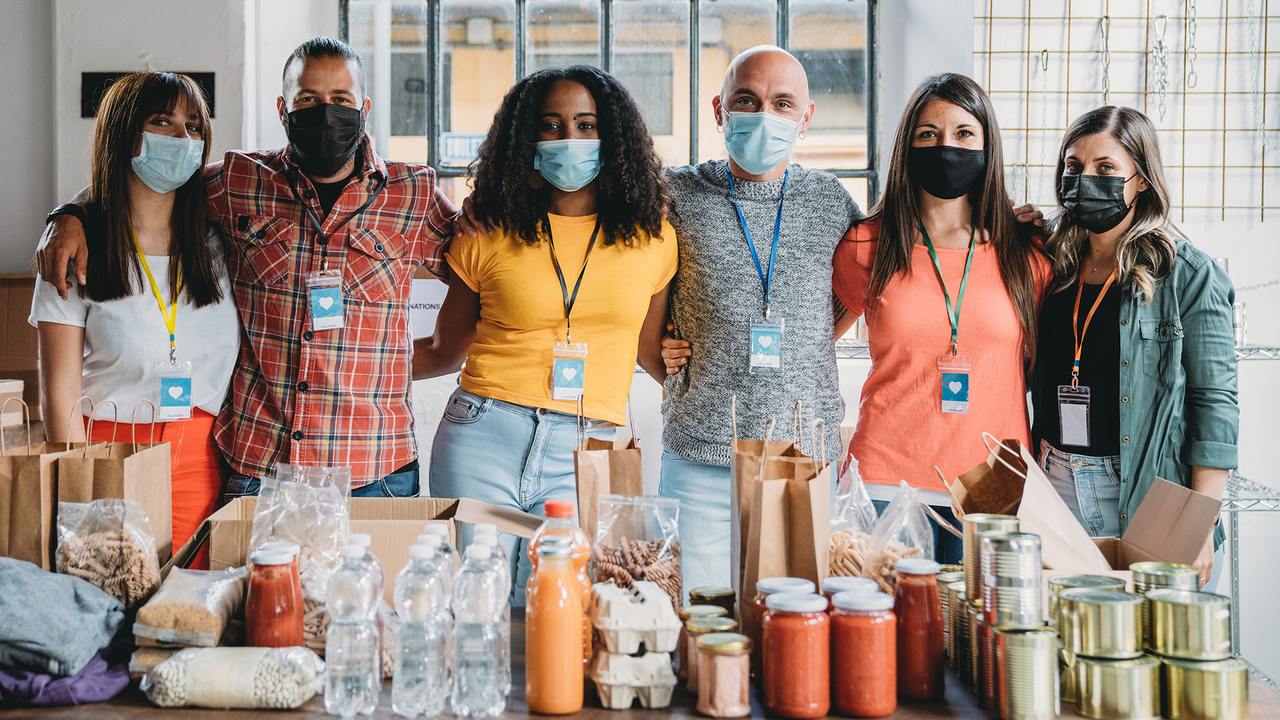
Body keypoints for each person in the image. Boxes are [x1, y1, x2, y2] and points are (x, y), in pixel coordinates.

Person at [38, 37, 457, 498]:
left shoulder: (413, 193)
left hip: (376, 468)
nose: (325, 112)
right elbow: (145, 185)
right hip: (260, 466)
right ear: (283, 108)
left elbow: (479, 269)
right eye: (308, 99)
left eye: (341, 100)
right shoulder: (239, 182)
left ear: (364, 108)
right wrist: (69, 216)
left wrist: (414, 358)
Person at [416, 66, 675, 594]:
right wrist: (344, 363)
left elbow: (649, 350)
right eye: (551, 126)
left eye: (586, 125)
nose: (569, 140)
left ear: (613, 138)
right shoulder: (486, 230)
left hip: (589, 444)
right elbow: (445, 350)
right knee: (475, 604)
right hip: (482, 435)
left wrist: (692, 361)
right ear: (526, 139)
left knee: (569, 608)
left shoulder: (654, 238)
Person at [828, 73, 1051, 565]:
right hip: (886, 481)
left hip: (994, 490)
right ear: (907, 146)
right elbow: (813, 342)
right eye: (928, 134)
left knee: (976, 641)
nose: (945, 146)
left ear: (988, 145)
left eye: (963, 133)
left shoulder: (1029, 254)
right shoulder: (866, 246)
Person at [30, 71, 240, 564]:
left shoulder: (220, 241)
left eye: (193, 125)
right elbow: (57, 392)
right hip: (107, 457)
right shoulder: (75, 247)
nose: (182, 138)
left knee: (187, 615)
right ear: (123, 133)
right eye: (162, 121)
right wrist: (81, 489)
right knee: (112, 611)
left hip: (204, 458)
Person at [1030, 106, 1237, 587]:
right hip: (1054, 486)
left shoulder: (1187, 274)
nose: (1086, 179)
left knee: (1147, 653)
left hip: (1146, 496)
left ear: (1142, 179)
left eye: (1106, 169)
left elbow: (1215, 405)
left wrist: (1199, 522)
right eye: (1074, 167)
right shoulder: (1051, 266)